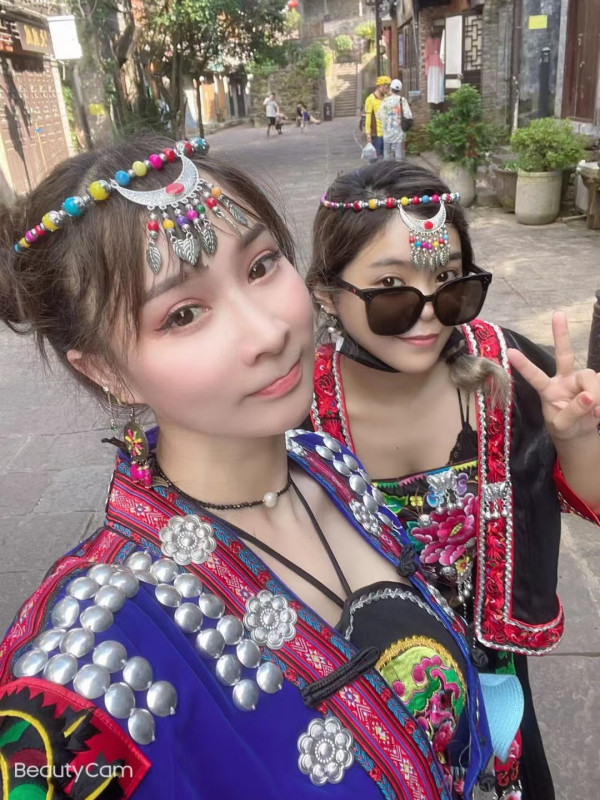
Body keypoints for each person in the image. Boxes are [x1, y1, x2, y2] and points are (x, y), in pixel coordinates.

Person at [0, 136, 497, 798]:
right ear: (105, 371)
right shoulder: (86, 668)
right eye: (183, 314)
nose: (268, 333)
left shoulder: (327, 466)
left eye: (261, 266)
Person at [306, 160, 600, 800]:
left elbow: (591, 498)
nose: (428, 314)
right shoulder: (297, 411)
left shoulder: (506, 368)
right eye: (391, 288)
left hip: (496, 683)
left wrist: (577, 438)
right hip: (363, 696)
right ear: (327, 295)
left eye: (447, 282)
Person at [380, 79, 412, 162]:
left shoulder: (385, 101)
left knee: (386, 152)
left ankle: (386, 168)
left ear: (391, 88)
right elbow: (408, 115)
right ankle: (398, 168)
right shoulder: (402, 100)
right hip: (398, 131)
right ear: (399, 90)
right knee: (398, 154)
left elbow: (380, 115)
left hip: (387, 130)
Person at [364, 77, 391, 160]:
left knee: (385, 159)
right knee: (376, 160)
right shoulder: (370, 99)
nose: (387, 90)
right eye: (386, 88)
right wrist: (368, 134)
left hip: (386, 134)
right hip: (376, 135)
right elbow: (368, 117)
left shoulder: (386, 98)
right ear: (380, 86)